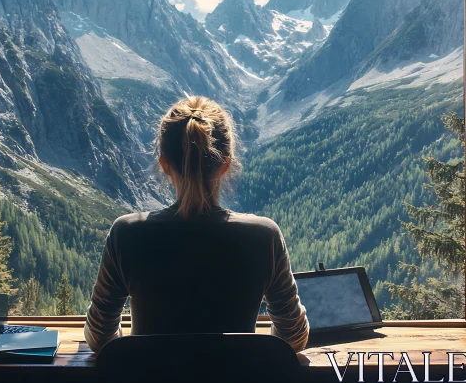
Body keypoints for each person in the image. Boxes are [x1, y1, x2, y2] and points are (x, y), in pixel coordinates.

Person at [84, 96, 309, 353]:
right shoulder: (264, 235)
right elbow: (293, 338)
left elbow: (99, 338)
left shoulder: (126, 233)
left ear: (165, 165)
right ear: (226, 165)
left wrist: (132, 350)